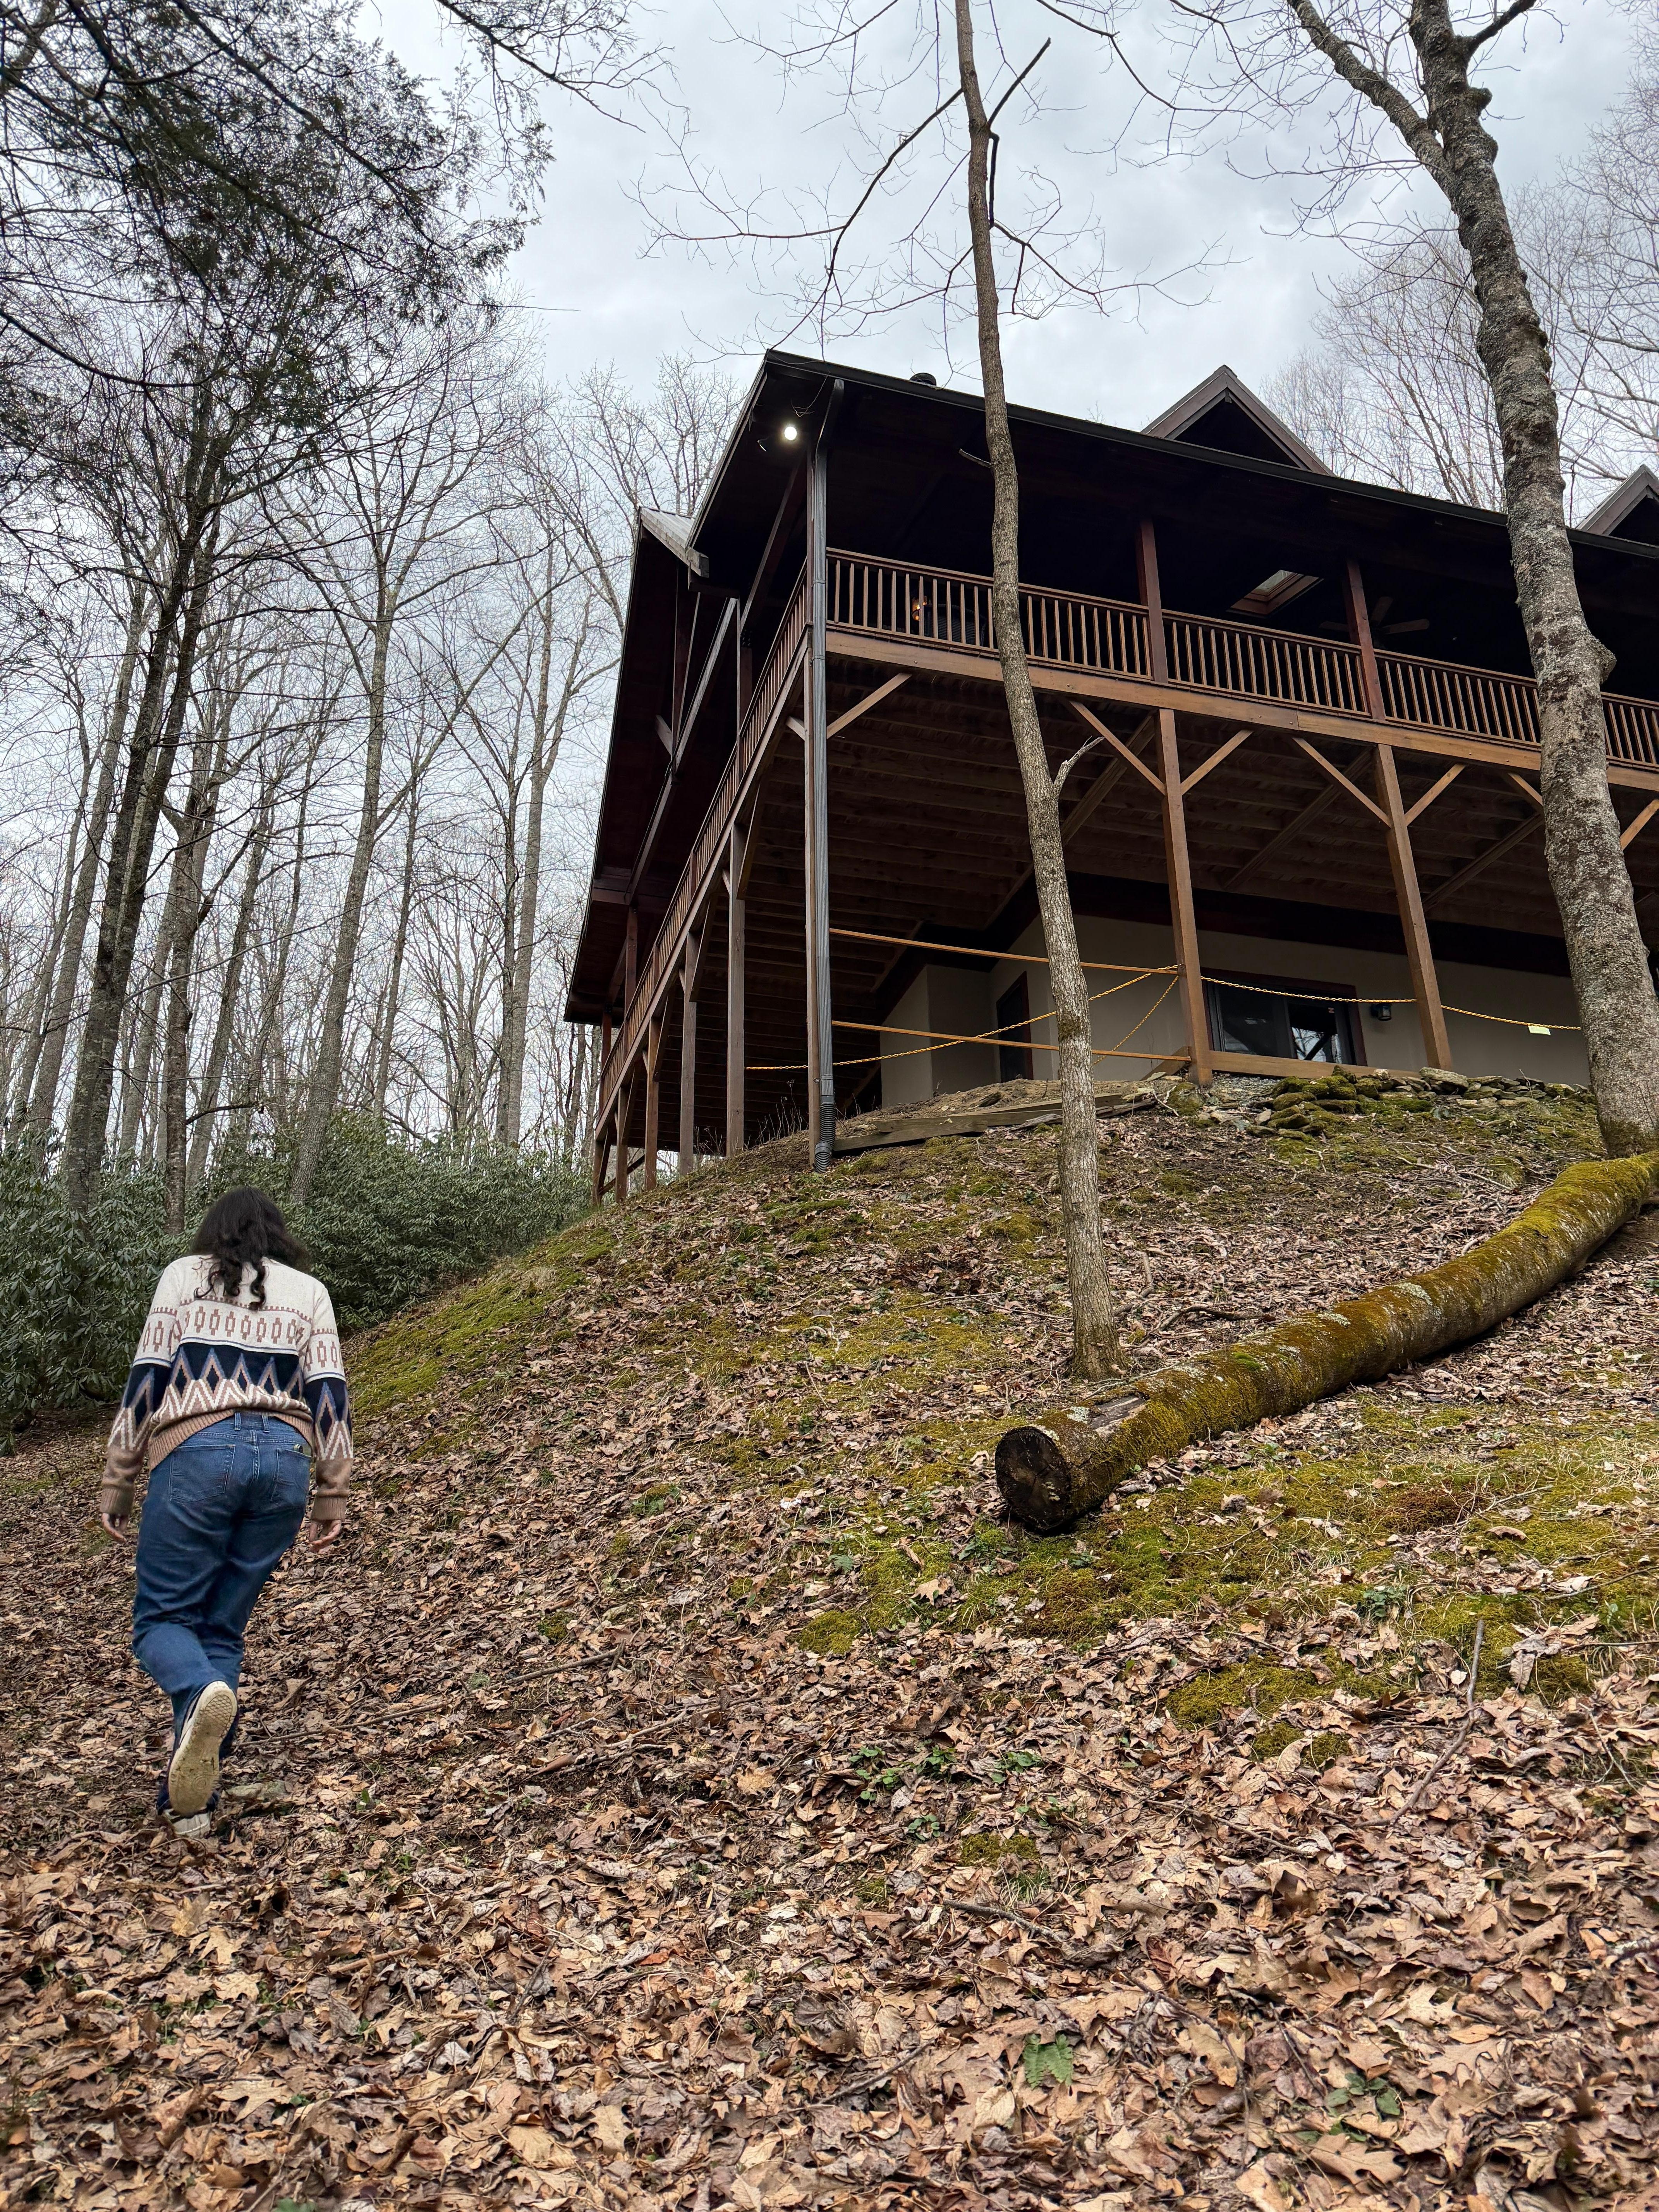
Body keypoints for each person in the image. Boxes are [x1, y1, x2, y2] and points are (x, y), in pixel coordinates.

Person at [100, 1188, 352, 1835]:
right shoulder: (310, 1292)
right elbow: (330, 1394)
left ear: (215, 1231)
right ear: (278, 1233)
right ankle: (191, 1804)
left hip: (197, 1451)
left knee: (160, 1619)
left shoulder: (183, 1278)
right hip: (285, 1466)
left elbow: (147, 1377)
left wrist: (120, 1479)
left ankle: (194, 1697)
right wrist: (332, 1491)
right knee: (221, 1629)